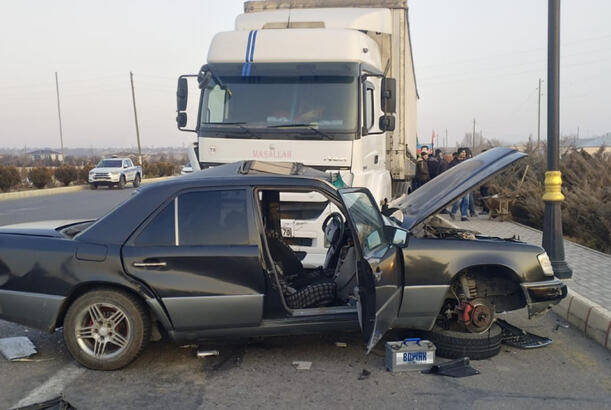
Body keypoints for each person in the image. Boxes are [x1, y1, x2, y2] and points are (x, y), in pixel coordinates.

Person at [449, 148, 469, 221]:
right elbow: (450, 173)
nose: (464, 153)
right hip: (457, 183)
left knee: (466, 200)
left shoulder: (467, 161)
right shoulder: (453, 162)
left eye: (465, 152)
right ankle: (453, 212)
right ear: (459, 153)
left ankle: (464, 216)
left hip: (466, 182)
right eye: (462, 152)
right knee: (459, 200)